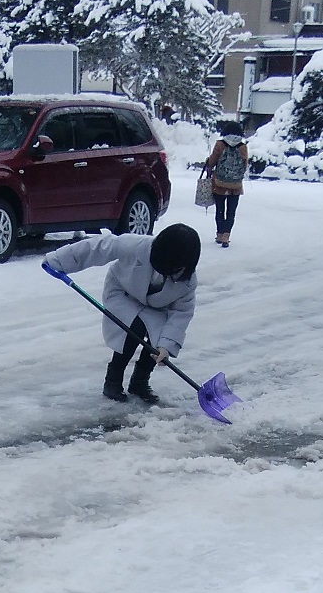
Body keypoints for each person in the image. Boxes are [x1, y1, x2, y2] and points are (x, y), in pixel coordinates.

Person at [47, 222, 201, 404]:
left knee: (158, 339)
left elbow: (181, 314)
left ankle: (140, 381)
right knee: (132, 327)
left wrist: (165, 346)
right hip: (124, 292)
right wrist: (58, 260)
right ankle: (113, 379)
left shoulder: (188, 282)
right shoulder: (136, 246)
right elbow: (98, 248)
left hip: (158, 308)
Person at [203, 120, 248, 248]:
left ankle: (219, 234)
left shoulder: (220, 144)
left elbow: (212, 162)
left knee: (220, 210)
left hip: (219, 183)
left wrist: (209, 167)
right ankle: (226, 237)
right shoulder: (242, 146)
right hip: (235, 186)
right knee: (231, 211)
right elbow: (244, 166)